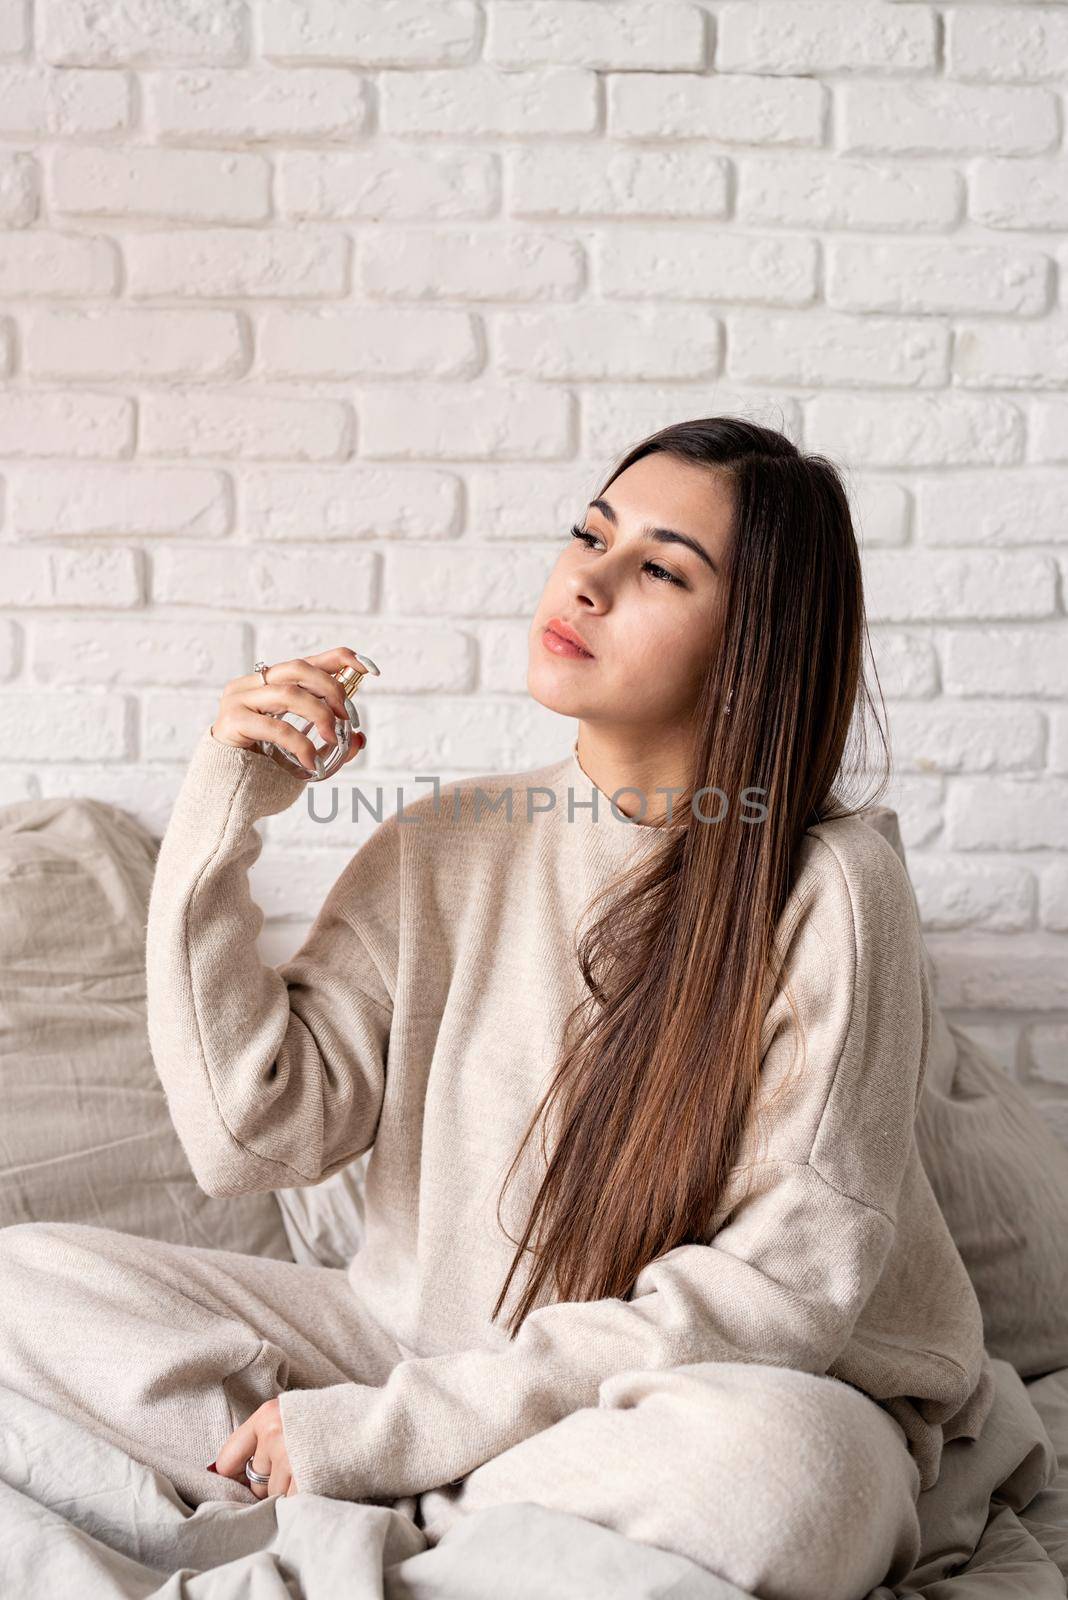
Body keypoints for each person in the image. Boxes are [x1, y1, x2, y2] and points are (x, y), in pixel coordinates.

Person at [0, 417, 996, 1600]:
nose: (587, 576)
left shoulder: (832, 884)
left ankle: (377, 1508)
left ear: (753, 644)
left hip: (688, 1392)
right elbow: (247, 1136)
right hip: (413, 1352)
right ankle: (464, 1534)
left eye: (661, 569)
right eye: (591, 533)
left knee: (792, 1474)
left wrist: (379, 1437)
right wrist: (225, 810)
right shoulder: (446, 844)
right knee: (21, 1284)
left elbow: (775, 1301)